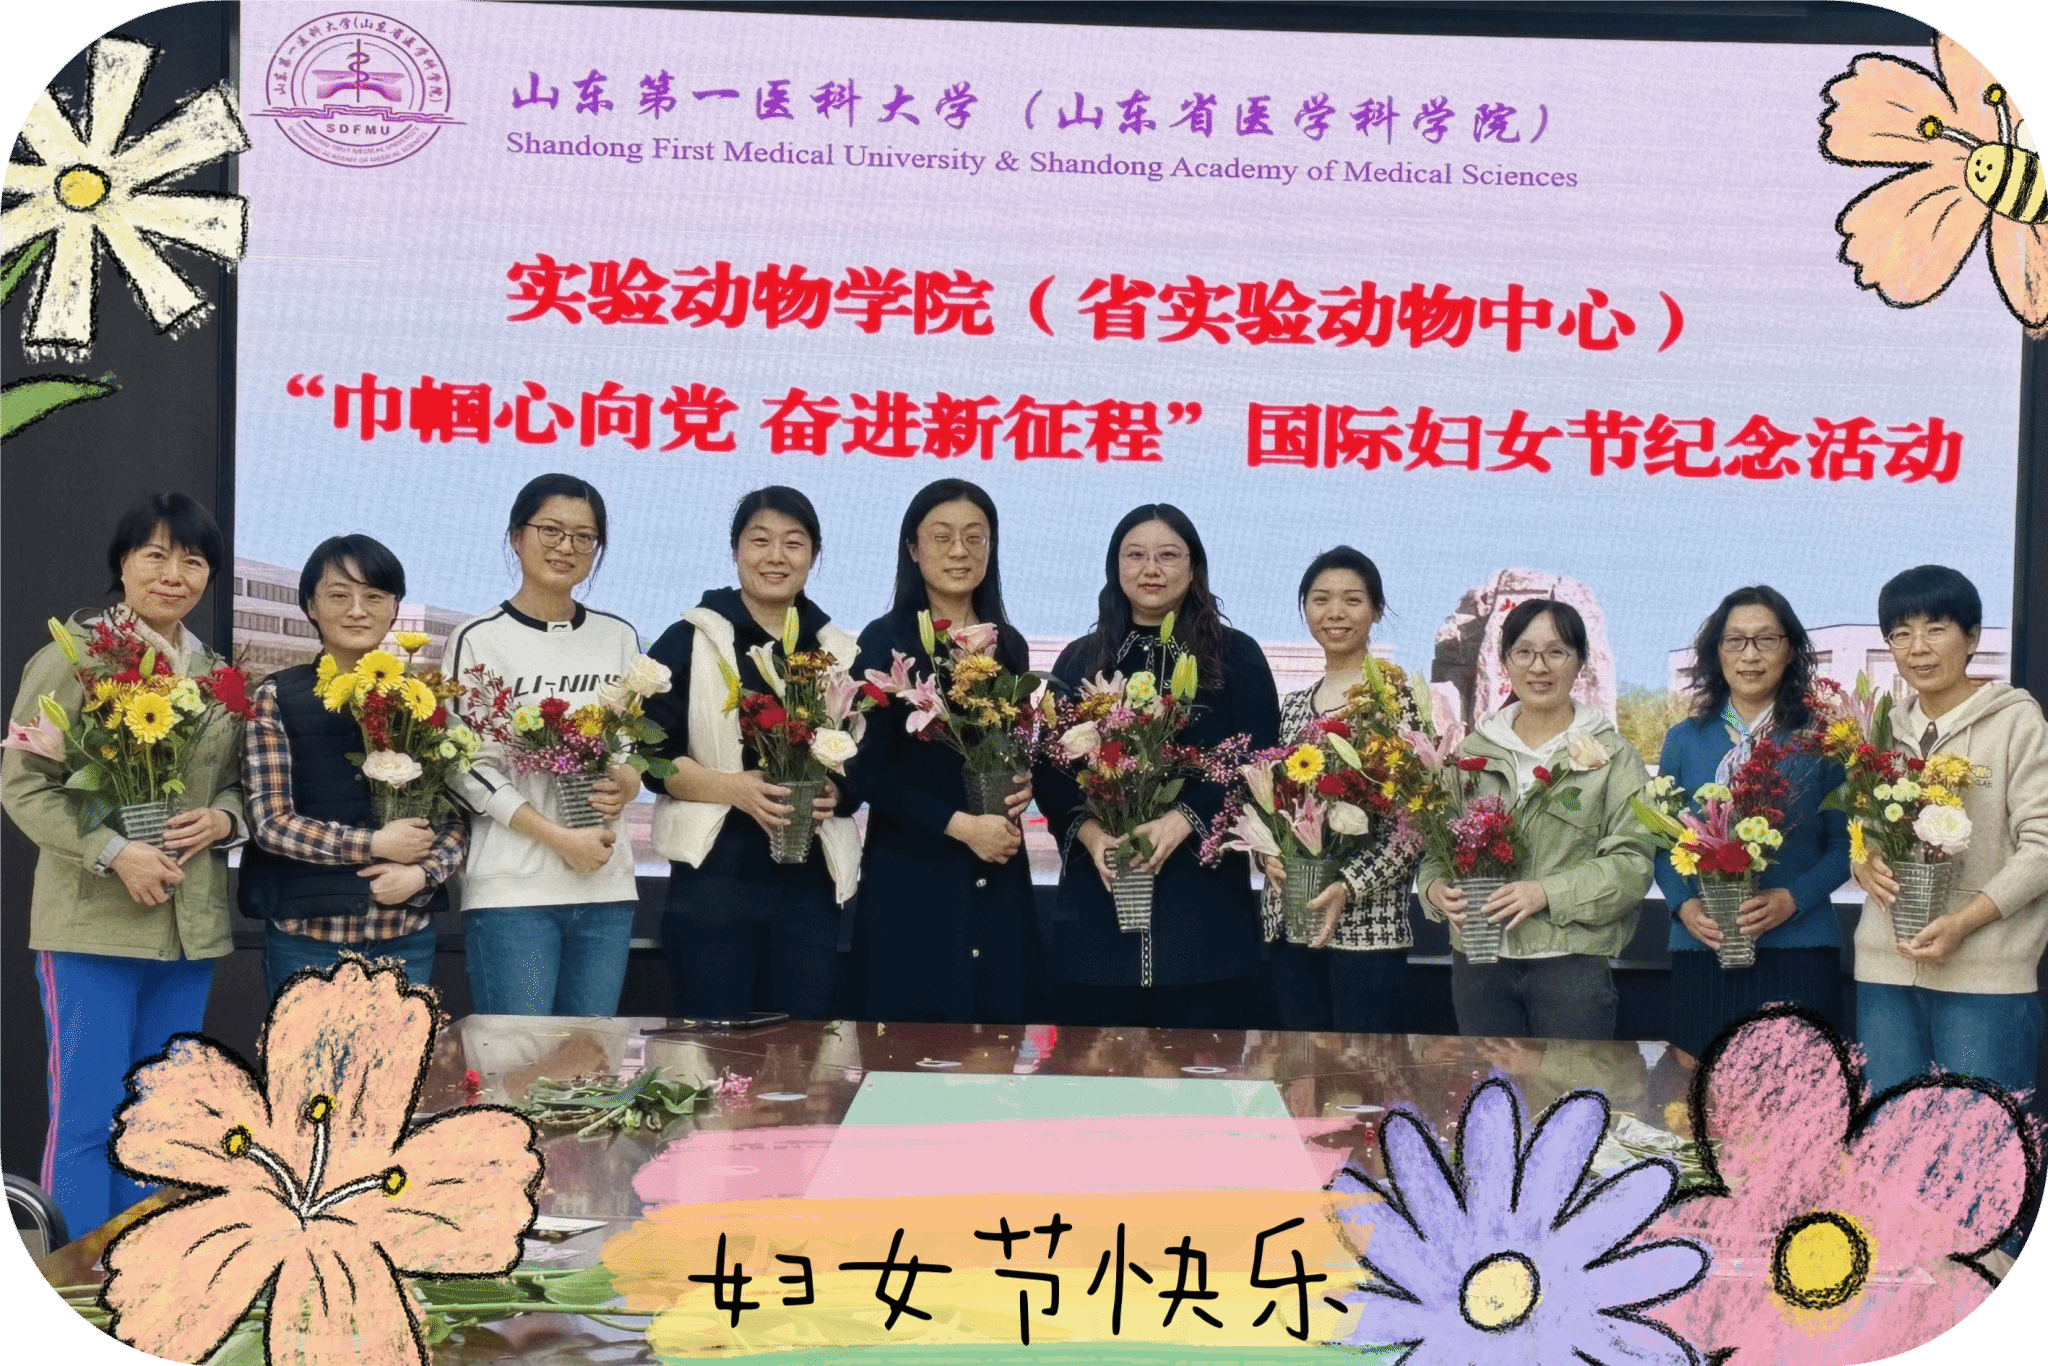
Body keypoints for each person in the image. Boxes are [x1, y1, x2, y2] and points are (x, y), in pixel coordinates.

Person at [2, 493, 246, 1237]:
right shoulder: (75, 658)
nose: (174, 574)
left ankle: (139, 1273)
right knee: (87, 1117)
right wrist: (113, 851)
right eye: (155, 555)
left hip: (187, 929)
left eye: (193, 561)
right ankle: (77, 1280)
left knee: (158, 1120)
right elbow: (22, 784)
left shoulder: (215, 674)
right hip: (94, 925)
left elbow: (233, 781)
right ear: (123, 563)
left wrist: (224, 818)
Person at [1032, 504, 1280, 1029]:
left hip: (1204, 923)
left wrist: (1182, 820)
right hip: (1097, 921)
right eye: (1135, 555)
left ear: (1193, 567)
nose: (1151, 569)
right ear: (1115, 566)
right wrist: (1093, 835)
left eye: (1168, 555)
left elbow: (1258, 760)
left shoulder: (1236, 657)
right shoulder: (1080, 660)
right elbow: (1050, 771)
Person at [643, 487, 859, 1020]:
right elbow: (652, 757)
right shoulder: (690, 638)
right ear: (736, 549)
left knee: (803, 1052)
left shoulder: (836, 649)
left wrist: (837, 790)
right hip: (714, 883)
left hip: (810, 891)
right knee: (713, 1047)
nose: (776, 557)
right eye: (760, 541)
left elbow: (861, 760)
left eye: (794, 543)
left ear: (814, 555)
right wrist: (733, 789)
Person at [445, 475, 643, 1015]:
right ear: (516, 537)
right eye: (551, 530)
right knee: (518, 1056)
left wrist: (629, 780)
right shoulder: (479, 638)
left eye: (584, 537)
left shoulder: (618, 637)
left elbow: (630, 745)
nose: (566, 547)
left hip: (605, 887)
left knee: (590, 1056)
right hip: (515, 890)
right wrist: (557, 838)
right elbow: (466, 768)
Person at [239, 536, 468, 999]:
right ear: (311, 606)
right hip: (308, 941)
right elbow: (270, 823)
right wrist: (374, 844)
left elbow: (457, 818)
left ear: (394, 607)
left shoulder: (421, 702)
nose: (357, 610)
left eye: (374, 596)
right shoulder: (276, 697)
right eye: (339, 595)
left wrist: (422, 874)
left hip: (405, 938)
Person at [1852, 566, 2048, 1102]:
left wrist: (1964, 922)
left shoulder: (2016, 722)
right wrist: (1862, 861)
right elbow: (1864, 830)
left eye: (1936, 629)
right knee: (1890, 1134)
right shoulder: (1881, 731)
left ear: (1973, 637)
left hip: (1985, 975)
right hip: (1886, 970)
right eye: (1901, 634)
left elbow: (2042, 847)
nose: (1918, 648)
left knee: (1980, 1140)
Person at [1417, 599, 1653, 1040]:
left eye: (1556, 652)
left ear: (1580, 661)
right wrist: (1434, 889)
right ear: (1505, 661)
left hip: (1570, 969)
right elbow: (1436, 849)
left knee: (1568, 1084)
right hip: (1479, 968)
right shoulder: (1470, 753)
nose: (1538, 667)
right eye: (1524, 652)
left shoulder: (1614, 757)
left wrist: (1545, 893)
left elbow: (1632, 864)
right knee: (1490, 1084)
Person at [851, 479, 1040, 1023]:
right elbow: (868, 771)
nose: (960, 551)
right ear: (913, 548)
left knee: (997, 1041)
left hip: (997, 869)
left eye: (975, 538)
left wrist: (1021, 780)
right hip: (914, 875)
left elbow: (1011, 744)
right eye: (942, 537)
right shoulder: (883, 641)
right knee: (909, 1049)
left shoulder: (1008, 644)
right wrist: (959, 826)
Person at [1655, 587, 1849, 1060]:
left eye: (1766, 640)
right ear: (1716, 651)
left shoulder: (1820, 739)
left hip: (1799, 948)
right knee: (1700, 1094)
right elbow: (1662, 844)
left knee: (1798, 1095)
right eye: (1735, 641)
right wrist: (1684, 907)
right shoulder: (1684, 740)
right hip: (1703, 948)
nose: (1750, 655)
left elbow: (1845, 847)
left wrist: (1792, 899)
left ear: (1791, 650)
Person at [1263, 548, 1421, 1033]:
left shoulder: (1399, 704)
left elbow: (1416, 826)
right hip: (1291, 926)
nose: (1335, 613)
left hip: (1368, 933)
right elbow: (1270, 807)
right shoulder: (1291, 707)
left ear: (1376, 610)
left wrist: (1349, 883)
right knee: (1296, 1071)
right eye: (1321, 599)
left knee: (1362, 1076)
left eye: (1352, 600)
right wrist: (1267, 855)